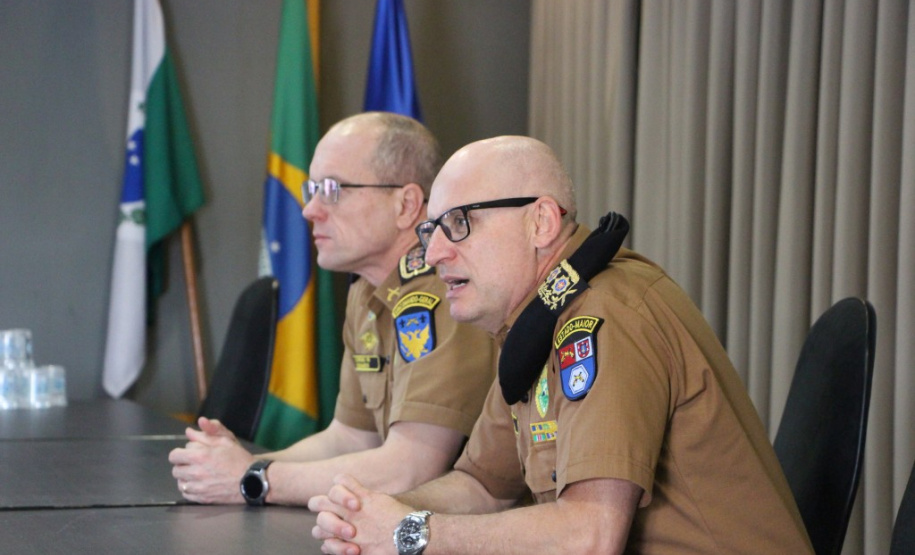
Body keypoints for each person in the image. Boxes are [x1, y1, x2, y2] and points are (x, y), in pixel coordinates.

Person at [309, 136, 814, 554]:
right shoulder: (533, 324)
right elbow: (482, 486)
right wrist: (372, 516)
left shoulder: (603, 314)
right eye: (432, 230)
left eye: (460, 223)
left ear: (542, 222)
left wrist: (411, 535)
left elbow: (589, 535)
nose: (436, 252)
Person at [168, 112, 498, 507]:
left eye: (333, 189)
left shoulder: (445, 291)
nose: (310, 210)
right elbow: (349, 437)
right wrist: (238, 465)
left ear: (406, 205)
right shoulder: (368, 292)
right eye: (313, 189)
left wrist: (253, 479)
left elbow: (409, 468)